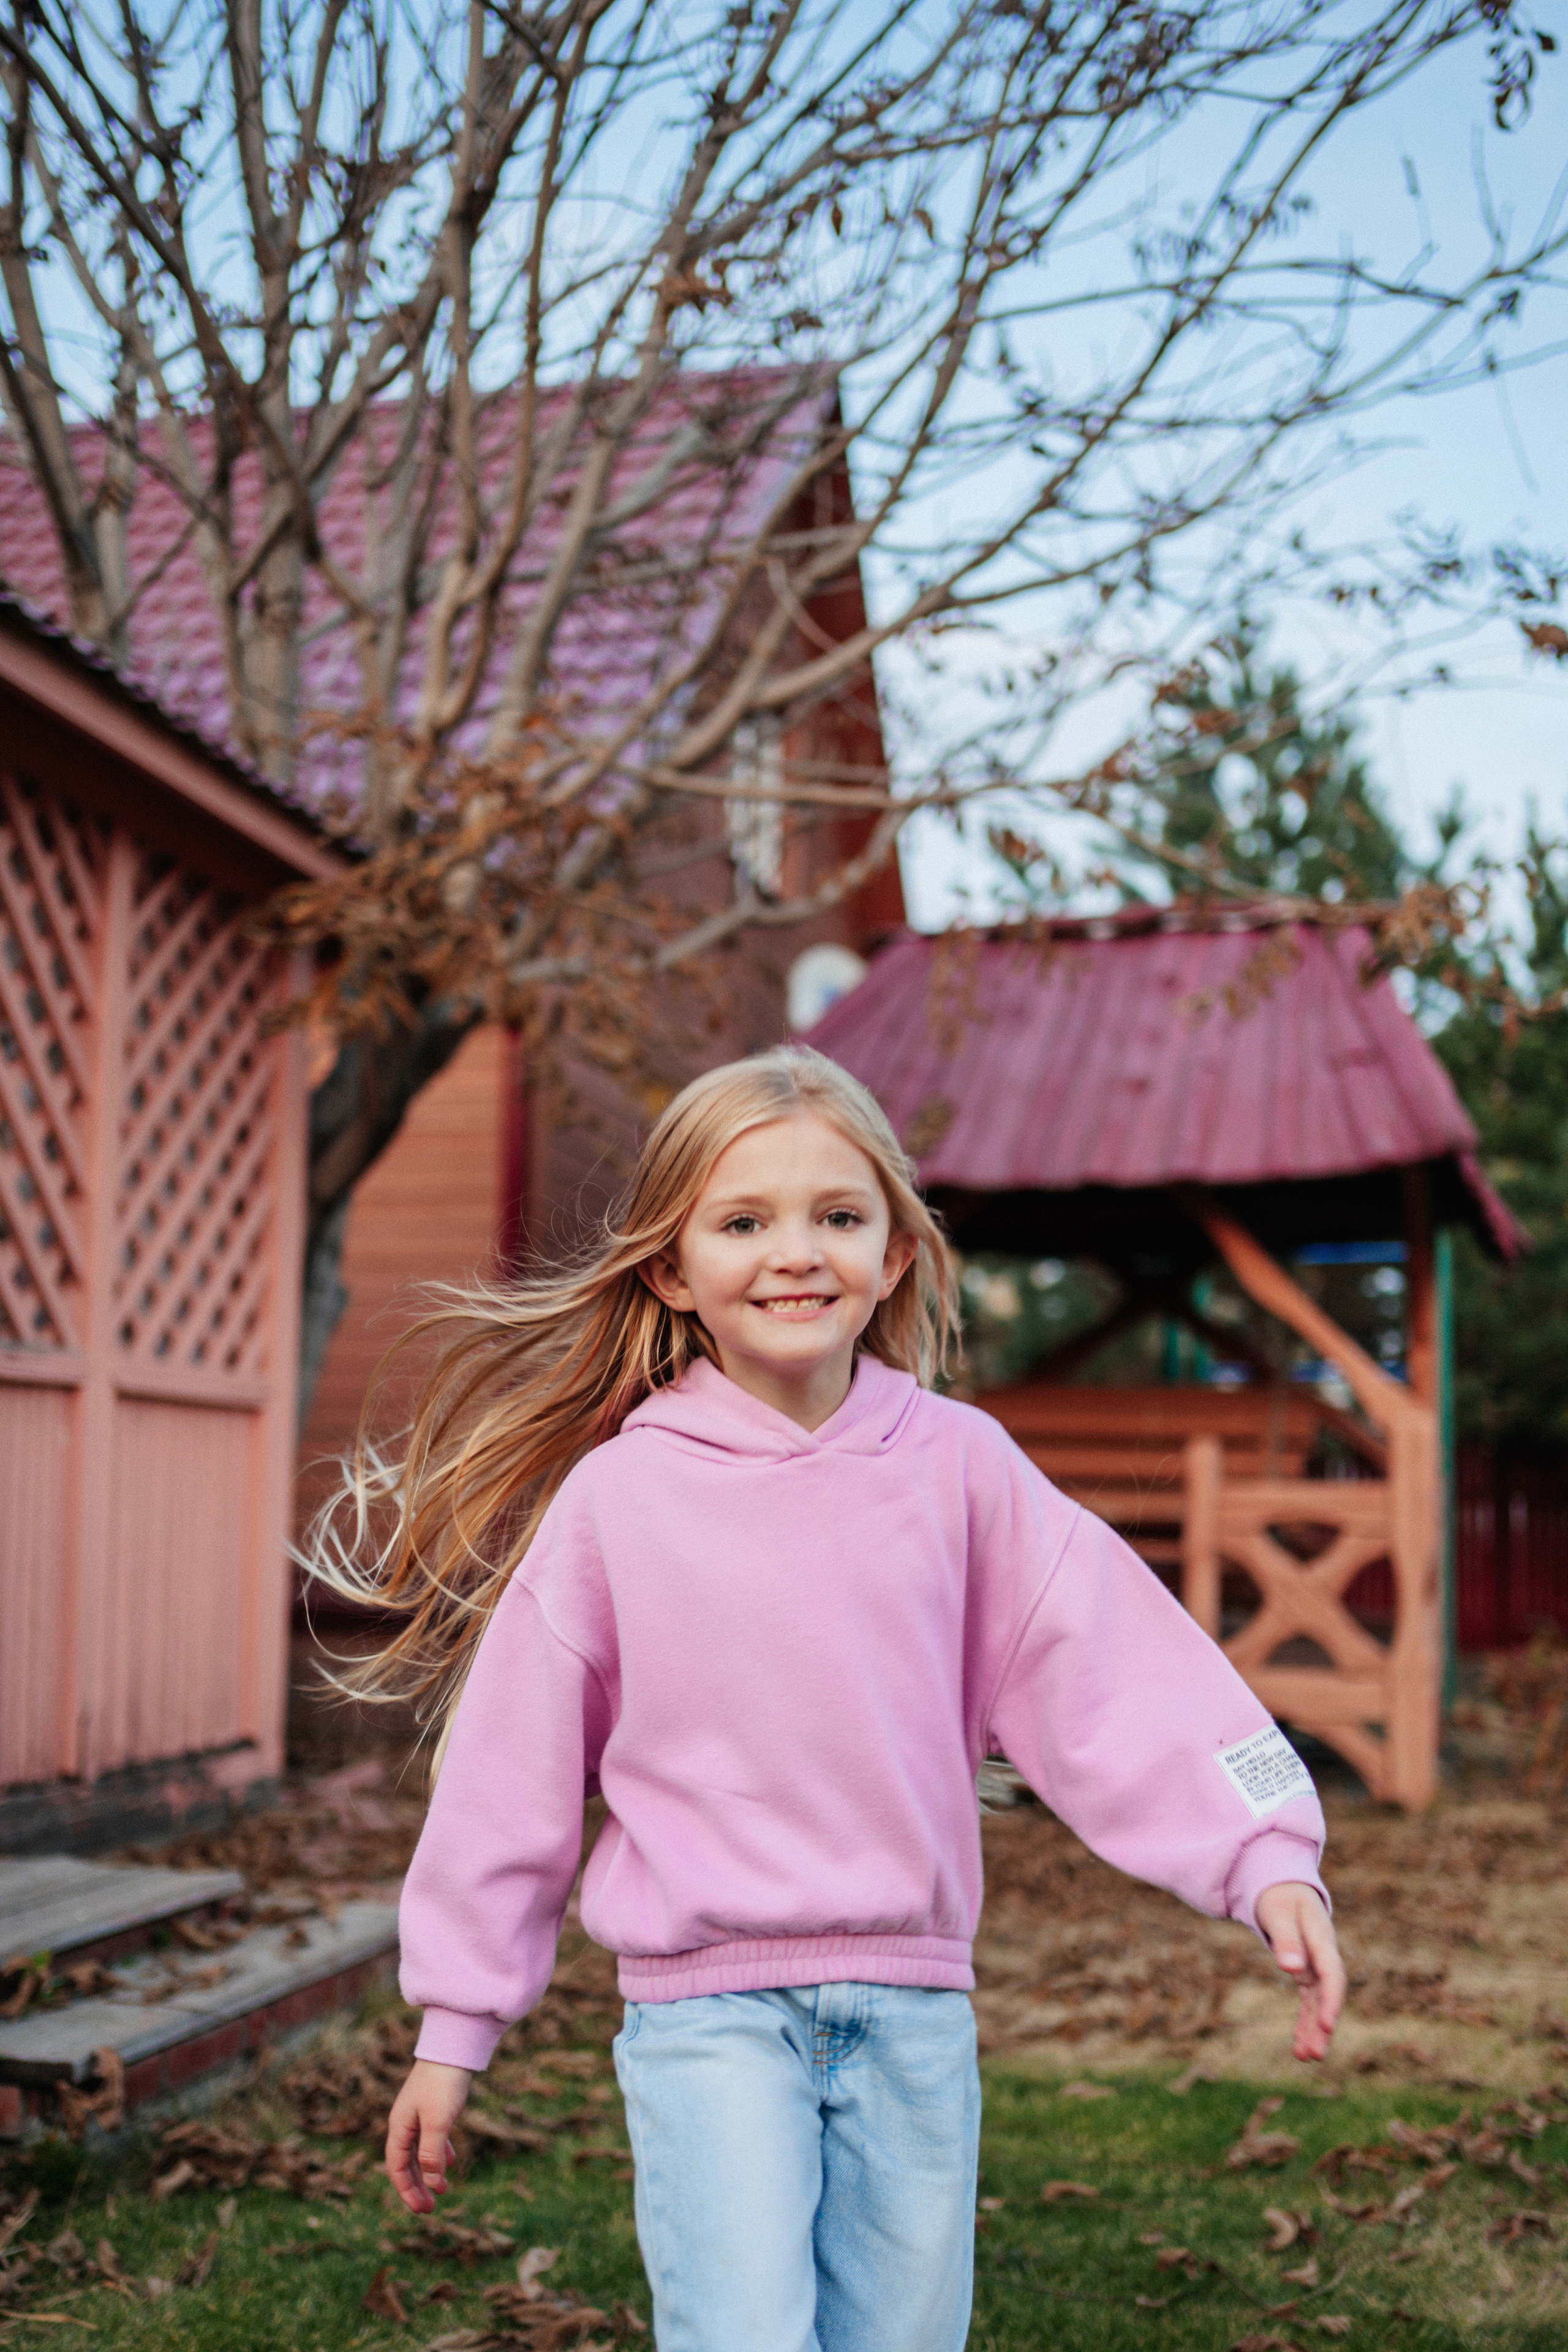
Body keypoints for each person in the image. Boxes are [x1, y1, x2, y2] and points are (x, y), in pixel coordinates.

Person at [309, 1046, 1344, 2352]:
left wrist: (1265, 1855)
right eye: (744, 1221)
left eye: (836, 1217)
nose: (794, 1252)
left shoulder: (961, 1470)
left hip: (912, 2012)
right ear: (673, 1270)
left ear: (893, 1257)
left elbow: (1116, 1662)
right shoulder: (619, 1504)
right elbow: (508, 1771)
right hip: (706, 2015)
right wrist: (454, 2026)